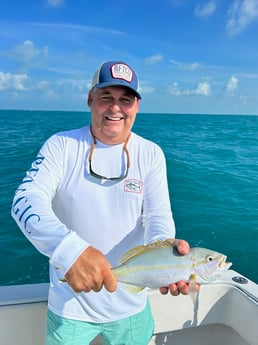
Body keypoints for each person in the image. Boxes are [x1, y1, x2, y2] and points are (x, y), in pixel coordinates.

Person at [11, 60, 198, 345]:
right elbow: (25, 200)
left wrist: (166, 254)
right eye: (106, 98)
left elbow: (157, 215)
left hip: (131, 307)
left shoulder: (151, 153)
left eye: (126, 100)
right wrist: (70, 251)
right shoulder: (61, 145)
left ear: (136, 106)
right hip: (70, 307)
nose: (116, 108)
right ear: (90, 99)